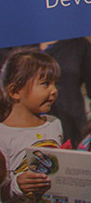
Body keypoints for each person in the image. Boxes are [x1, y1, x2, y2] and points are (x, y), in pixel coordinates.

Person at [0, 50, 62, 201]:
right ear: (15, 91)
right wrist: (17, 184)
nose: (54, 91)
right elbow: (2, 190)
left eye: (55, 84)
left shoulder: (55, 124)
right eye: (45, 84)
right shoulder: (2, 135)